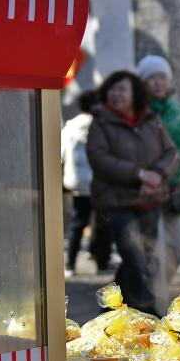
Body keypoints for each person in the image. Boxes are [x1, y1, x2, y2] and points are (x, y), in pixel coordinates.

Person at [86, 71, 179, 314]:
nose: (116, 95)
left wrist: (157, 174)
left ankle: (108, 313)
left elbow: (171, 153)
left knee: (135, 263)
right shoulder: (101, 121)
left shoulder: (151, 119)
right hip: (117, 203)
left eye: (122, 90)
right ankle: (151, 316)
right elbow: (99, 159)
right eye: (112, 90)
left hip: (149, 201)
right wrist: (138, 174)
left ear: (134, 93)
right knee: (136, 260)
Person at [137, 54, 180, 284]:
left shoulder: (178, 111)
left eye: (162, 77)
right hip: (147, 191)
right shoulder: (138, 112)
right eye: (152, 78)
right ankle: (155, 301)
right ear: (143, 82)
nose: (158, 83)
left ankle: (157, 287)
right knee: (156, 249)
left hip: (177, 189)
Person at [61, 89, 112, 277]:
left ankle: (70, 264)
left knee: (78, 223)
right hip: (99, 183)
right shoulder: (102, 125)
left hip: (78, 183)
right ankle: (102, 263)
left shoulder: (71, 126)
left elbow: (61, 153)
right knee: (102, 224)